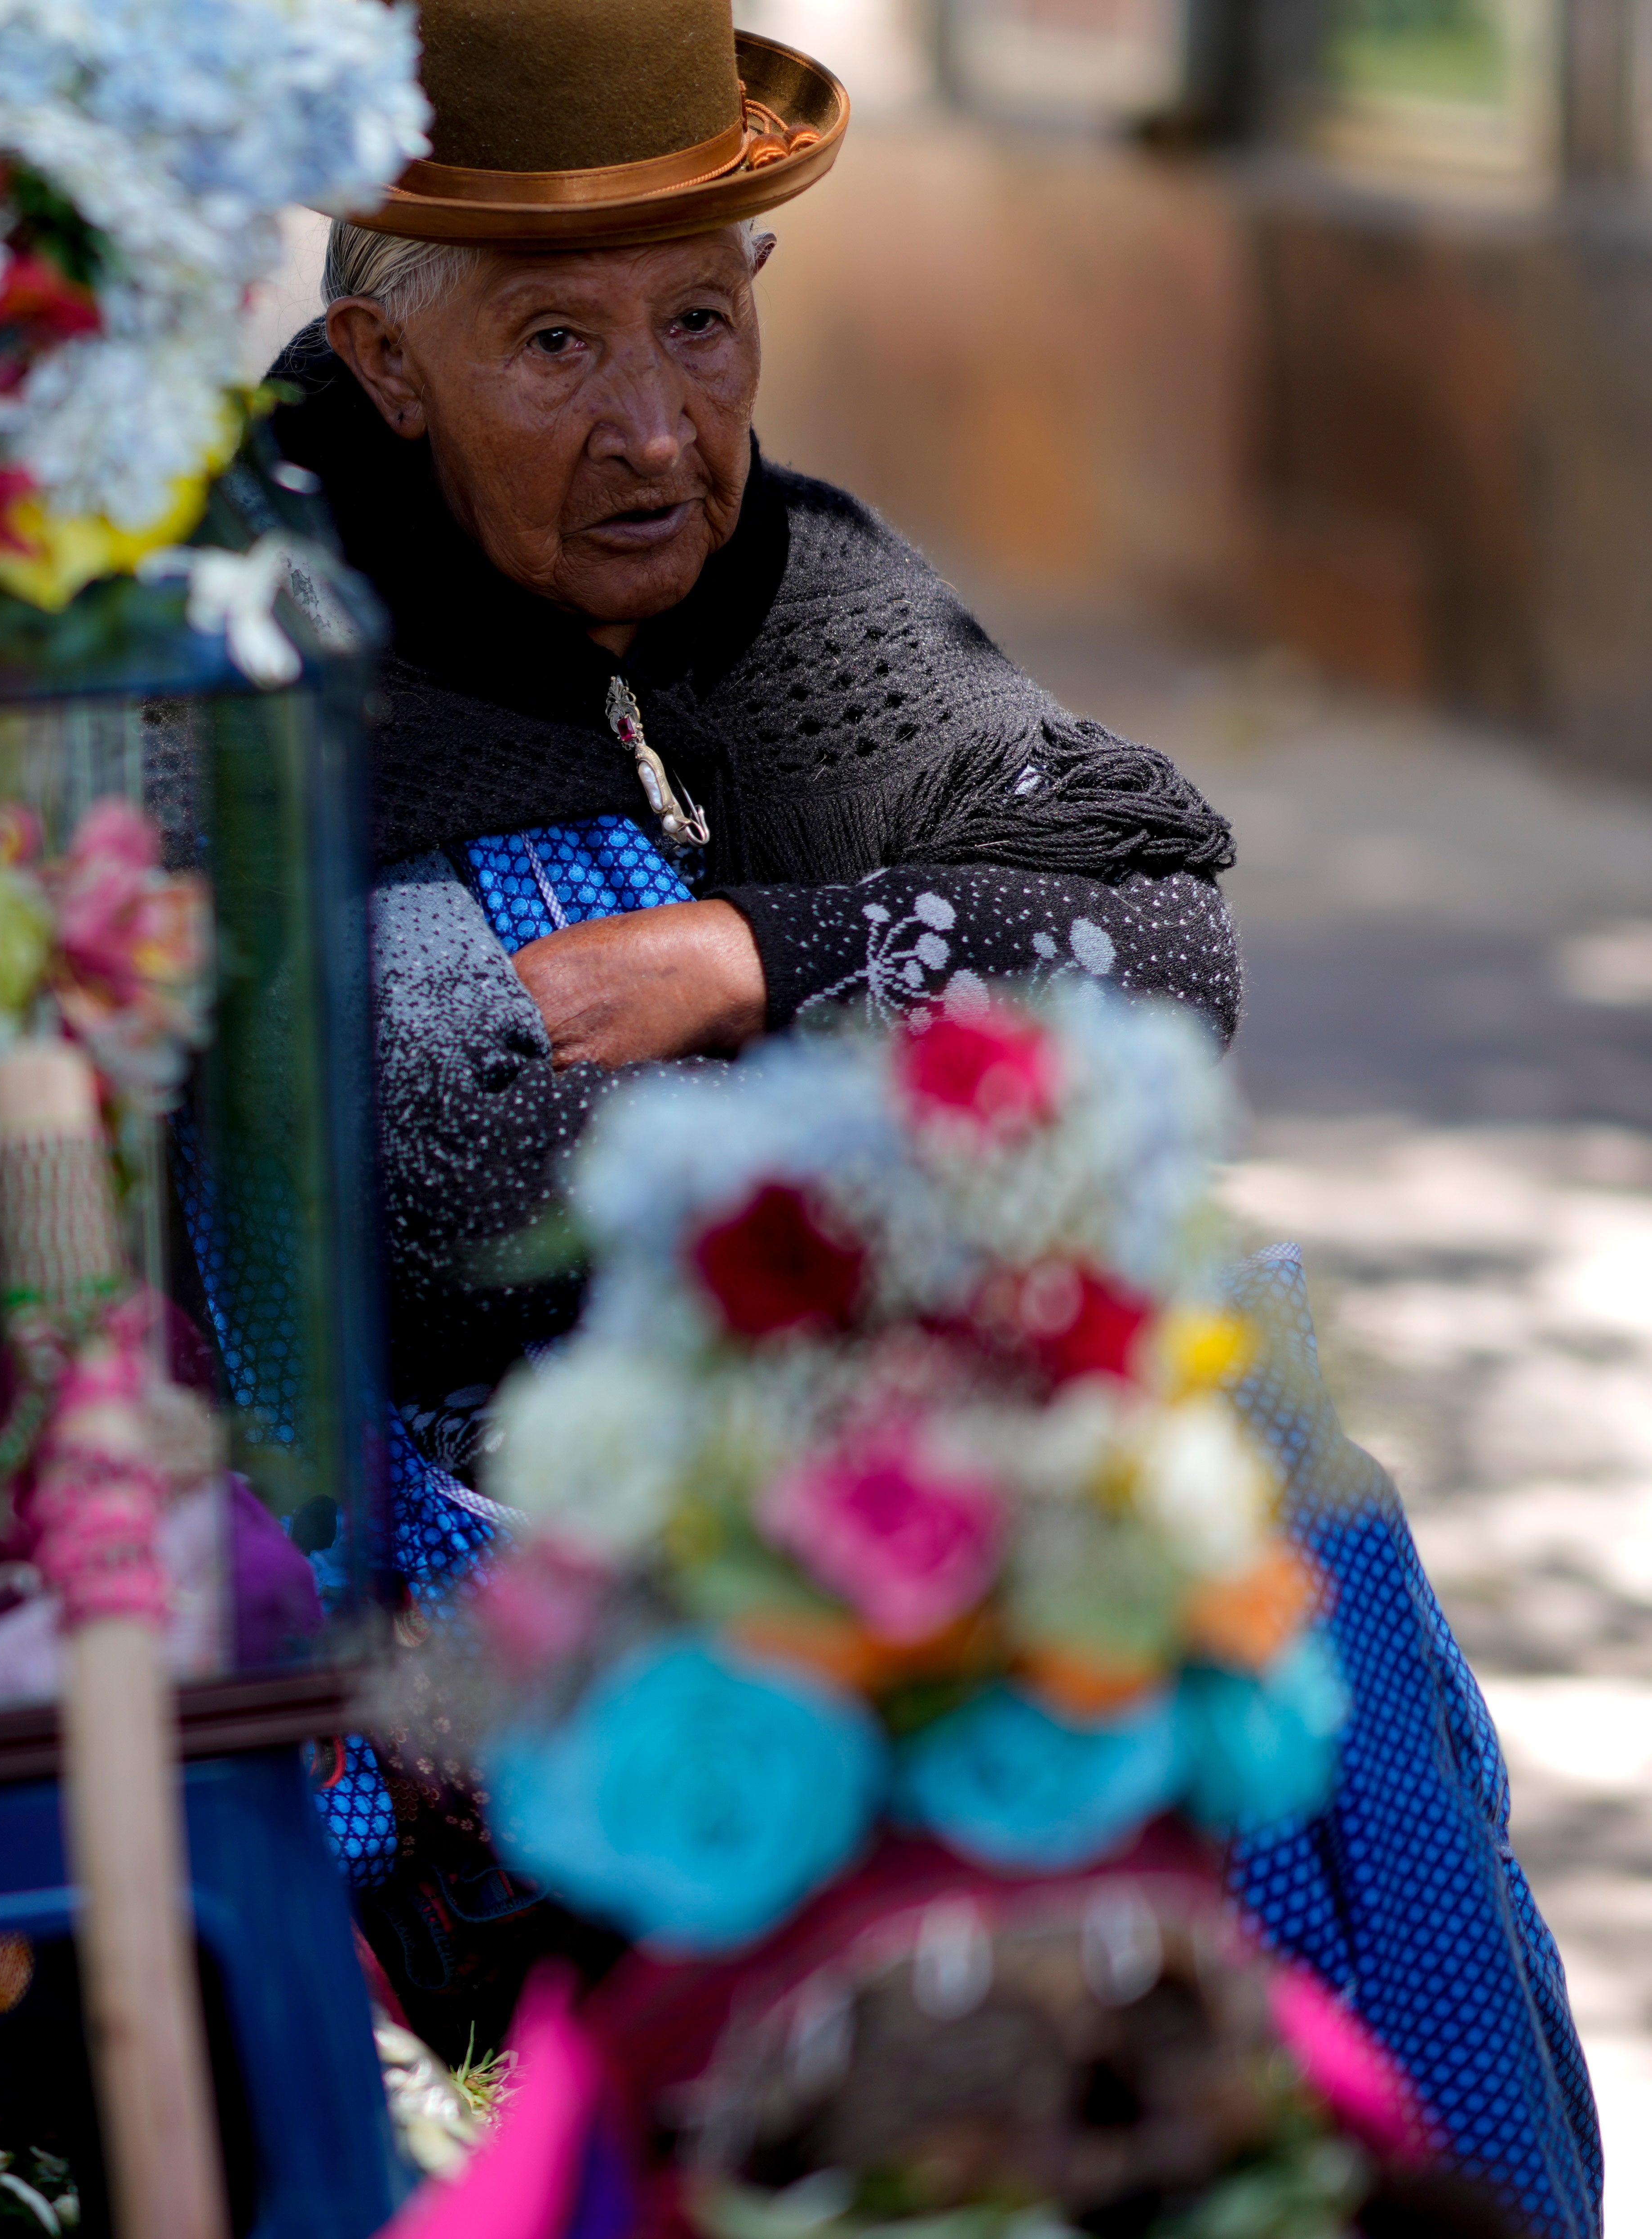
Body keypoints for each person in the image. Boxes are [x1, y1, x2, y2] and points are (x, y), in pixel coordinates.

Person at [271, 5, 1597, 2231]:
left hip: (852, 1422)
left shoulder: (793, 585)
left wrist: (752, 960)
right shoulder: (268, 629)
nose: (656, 428)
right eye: (556, 344)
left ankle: (1375, 2168)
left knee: (1259, 1450)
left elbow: (1164, 956)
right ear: (386, 367)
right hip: (499, 1523)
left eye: (701, 322)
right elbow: (461, 1138)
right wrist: (906, 1014)